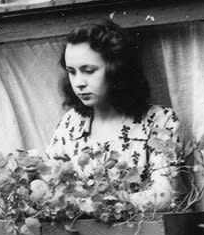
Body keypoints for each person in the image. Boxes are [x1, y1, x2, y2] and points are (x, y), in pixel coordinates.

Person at [47, 20, 182, 214]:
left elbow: (164, 195)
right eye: (72, 72)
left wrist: (97, 204)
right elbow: (52, 190)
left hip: (142, 232)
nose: (79, 83)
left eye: (88, 71)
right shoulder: (70, 124)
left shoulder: (160, 121)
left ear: (116, 69)